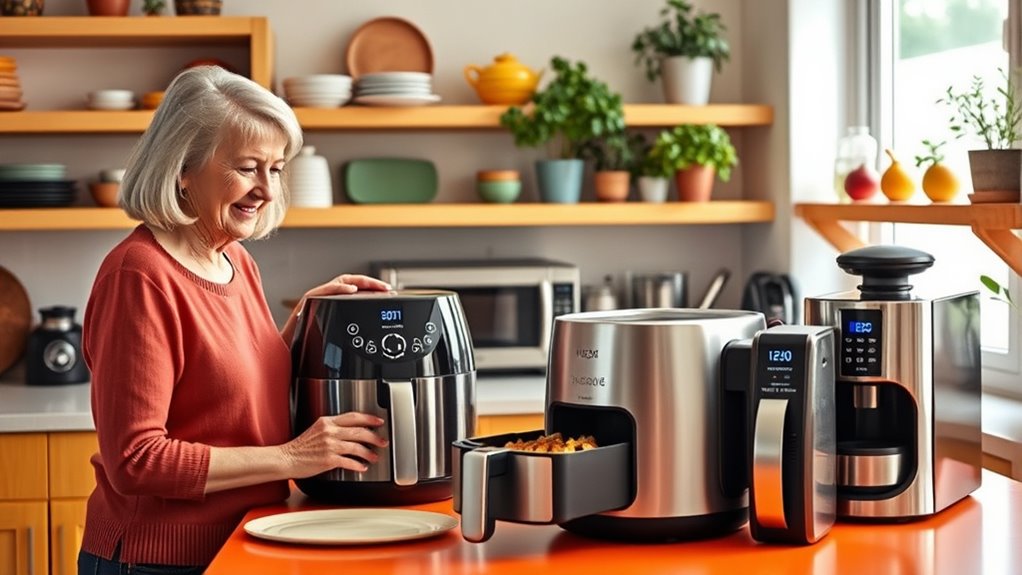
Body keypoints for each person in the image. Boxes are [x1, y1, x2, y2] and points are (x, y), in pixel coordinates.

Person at [77, 66, 391, 575]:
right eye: (248, 168)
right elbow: (136, 459)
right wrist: (294, 458)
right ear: (183, 168)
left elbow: (229, 394)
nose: (266, 190)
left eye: (277, 169)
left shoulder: (233, 259)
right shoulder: (138, 276)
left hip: (246, 539)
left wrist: (303, 322)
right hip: (159, 559)